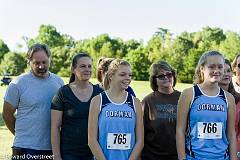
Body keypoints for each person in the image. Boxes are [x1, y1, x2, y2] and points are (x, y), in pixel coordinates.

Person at [2, 43, 64, 159]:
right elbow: (6, 115)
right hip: (25, 148)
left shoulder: (58, 82)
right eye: (36, 63)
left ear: (49, 59)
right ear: (29, 62)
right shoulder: (17, 84)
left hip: (52, 148)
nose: (41, 66)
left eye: (44, 62)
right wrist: (21, 136)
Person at [176, 51, 237, 160]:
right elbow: (180, 130)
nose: (216, 71)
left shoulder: (229, 98)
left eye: (220, 67)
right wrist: (182, 158)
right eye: (211, 67)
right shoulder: (189, 94)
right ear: (202, 69)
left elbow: (231, 134)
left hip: (222, 157)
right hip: (194, 157)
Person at [88, 59, 144, 160]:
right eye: (122, 75)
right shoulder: (97, 101)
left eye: (129, 75)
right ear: (111, 76)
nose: (128, 78)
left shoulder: (135, 103)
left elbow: (140, 141)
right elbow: (92, 140)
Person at [51, 53, 103, 160]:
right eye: (83, 66)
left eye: (89, 66)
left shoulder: (100, 94)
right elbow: (55, 127)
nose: (87, 69)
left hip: (94, 154)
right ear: (73, 69)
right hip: (69, 154)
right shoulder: (62, 93)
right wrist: (56, 156)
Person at [141, 61, 181, 160]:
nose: (166, 78)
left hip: (177, 155)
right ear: (154, 80)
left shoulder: (183, 98)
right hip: (152, 156)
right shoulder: (148, 101)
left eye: (169, 74)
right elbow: (140, 132)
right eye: (161, 76)